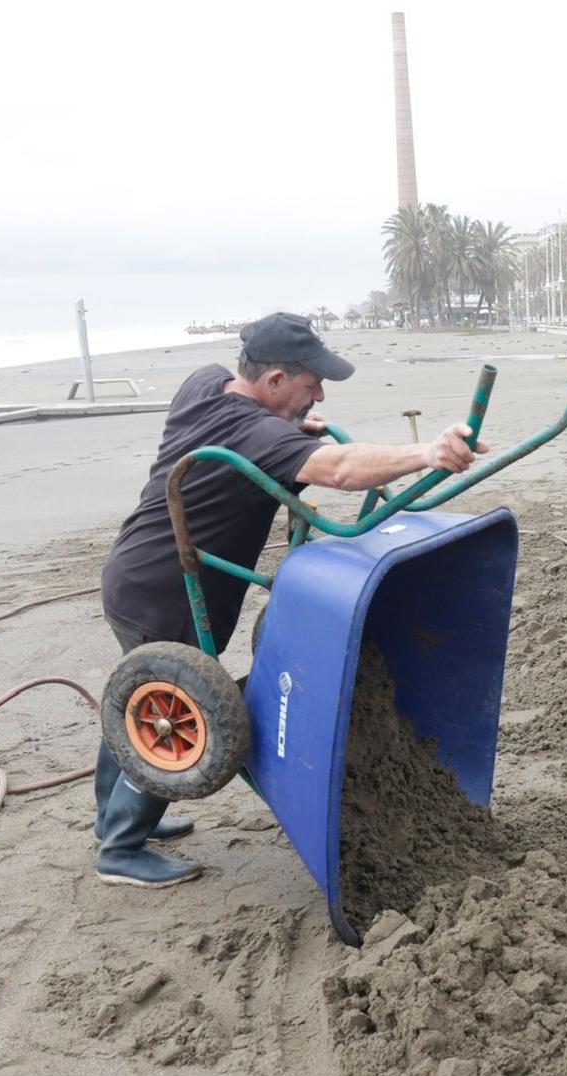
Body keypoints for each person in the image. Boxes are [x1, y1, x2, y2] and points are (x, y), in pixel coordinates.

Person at [94, 312, 482, 886]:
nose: (319, 393)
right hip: (167, 592)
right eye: (309, 383)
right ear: (274, 380)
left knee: (142, 688)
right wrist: (427, 453)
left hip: (135, 572)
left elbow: (252, 429)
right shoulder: (251, 432)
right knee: (173, 706)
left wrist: (289, 428)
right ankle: (120, 849)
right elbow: (344, 470)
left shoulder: (205, 383)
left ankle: (117, 822)